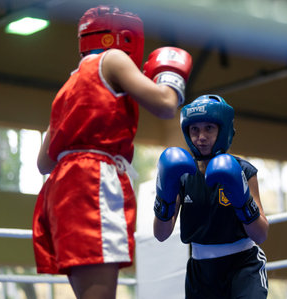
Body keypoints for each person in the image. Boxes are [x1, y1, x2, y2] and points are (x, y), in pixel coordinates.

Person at [32, 5, 192, 299]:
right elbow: (166, 104)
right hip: (91, 182)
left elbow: (43, 163)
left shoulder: (69, 85)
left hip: (61, 191)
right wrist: (170, 75)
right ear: (124, 36)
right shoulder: (113, 59)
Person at [153, 94, 269, 298]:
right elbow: (161, 234)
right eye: (195, 129)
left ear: (222, 130)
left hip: (243, 266)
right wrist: (164, 196)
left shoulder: (243, 170)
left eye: (209, 128)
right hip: (201, 272)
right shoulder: (182, 175)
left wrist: (243, 202)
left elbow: (260, 234)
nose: (201, 136)